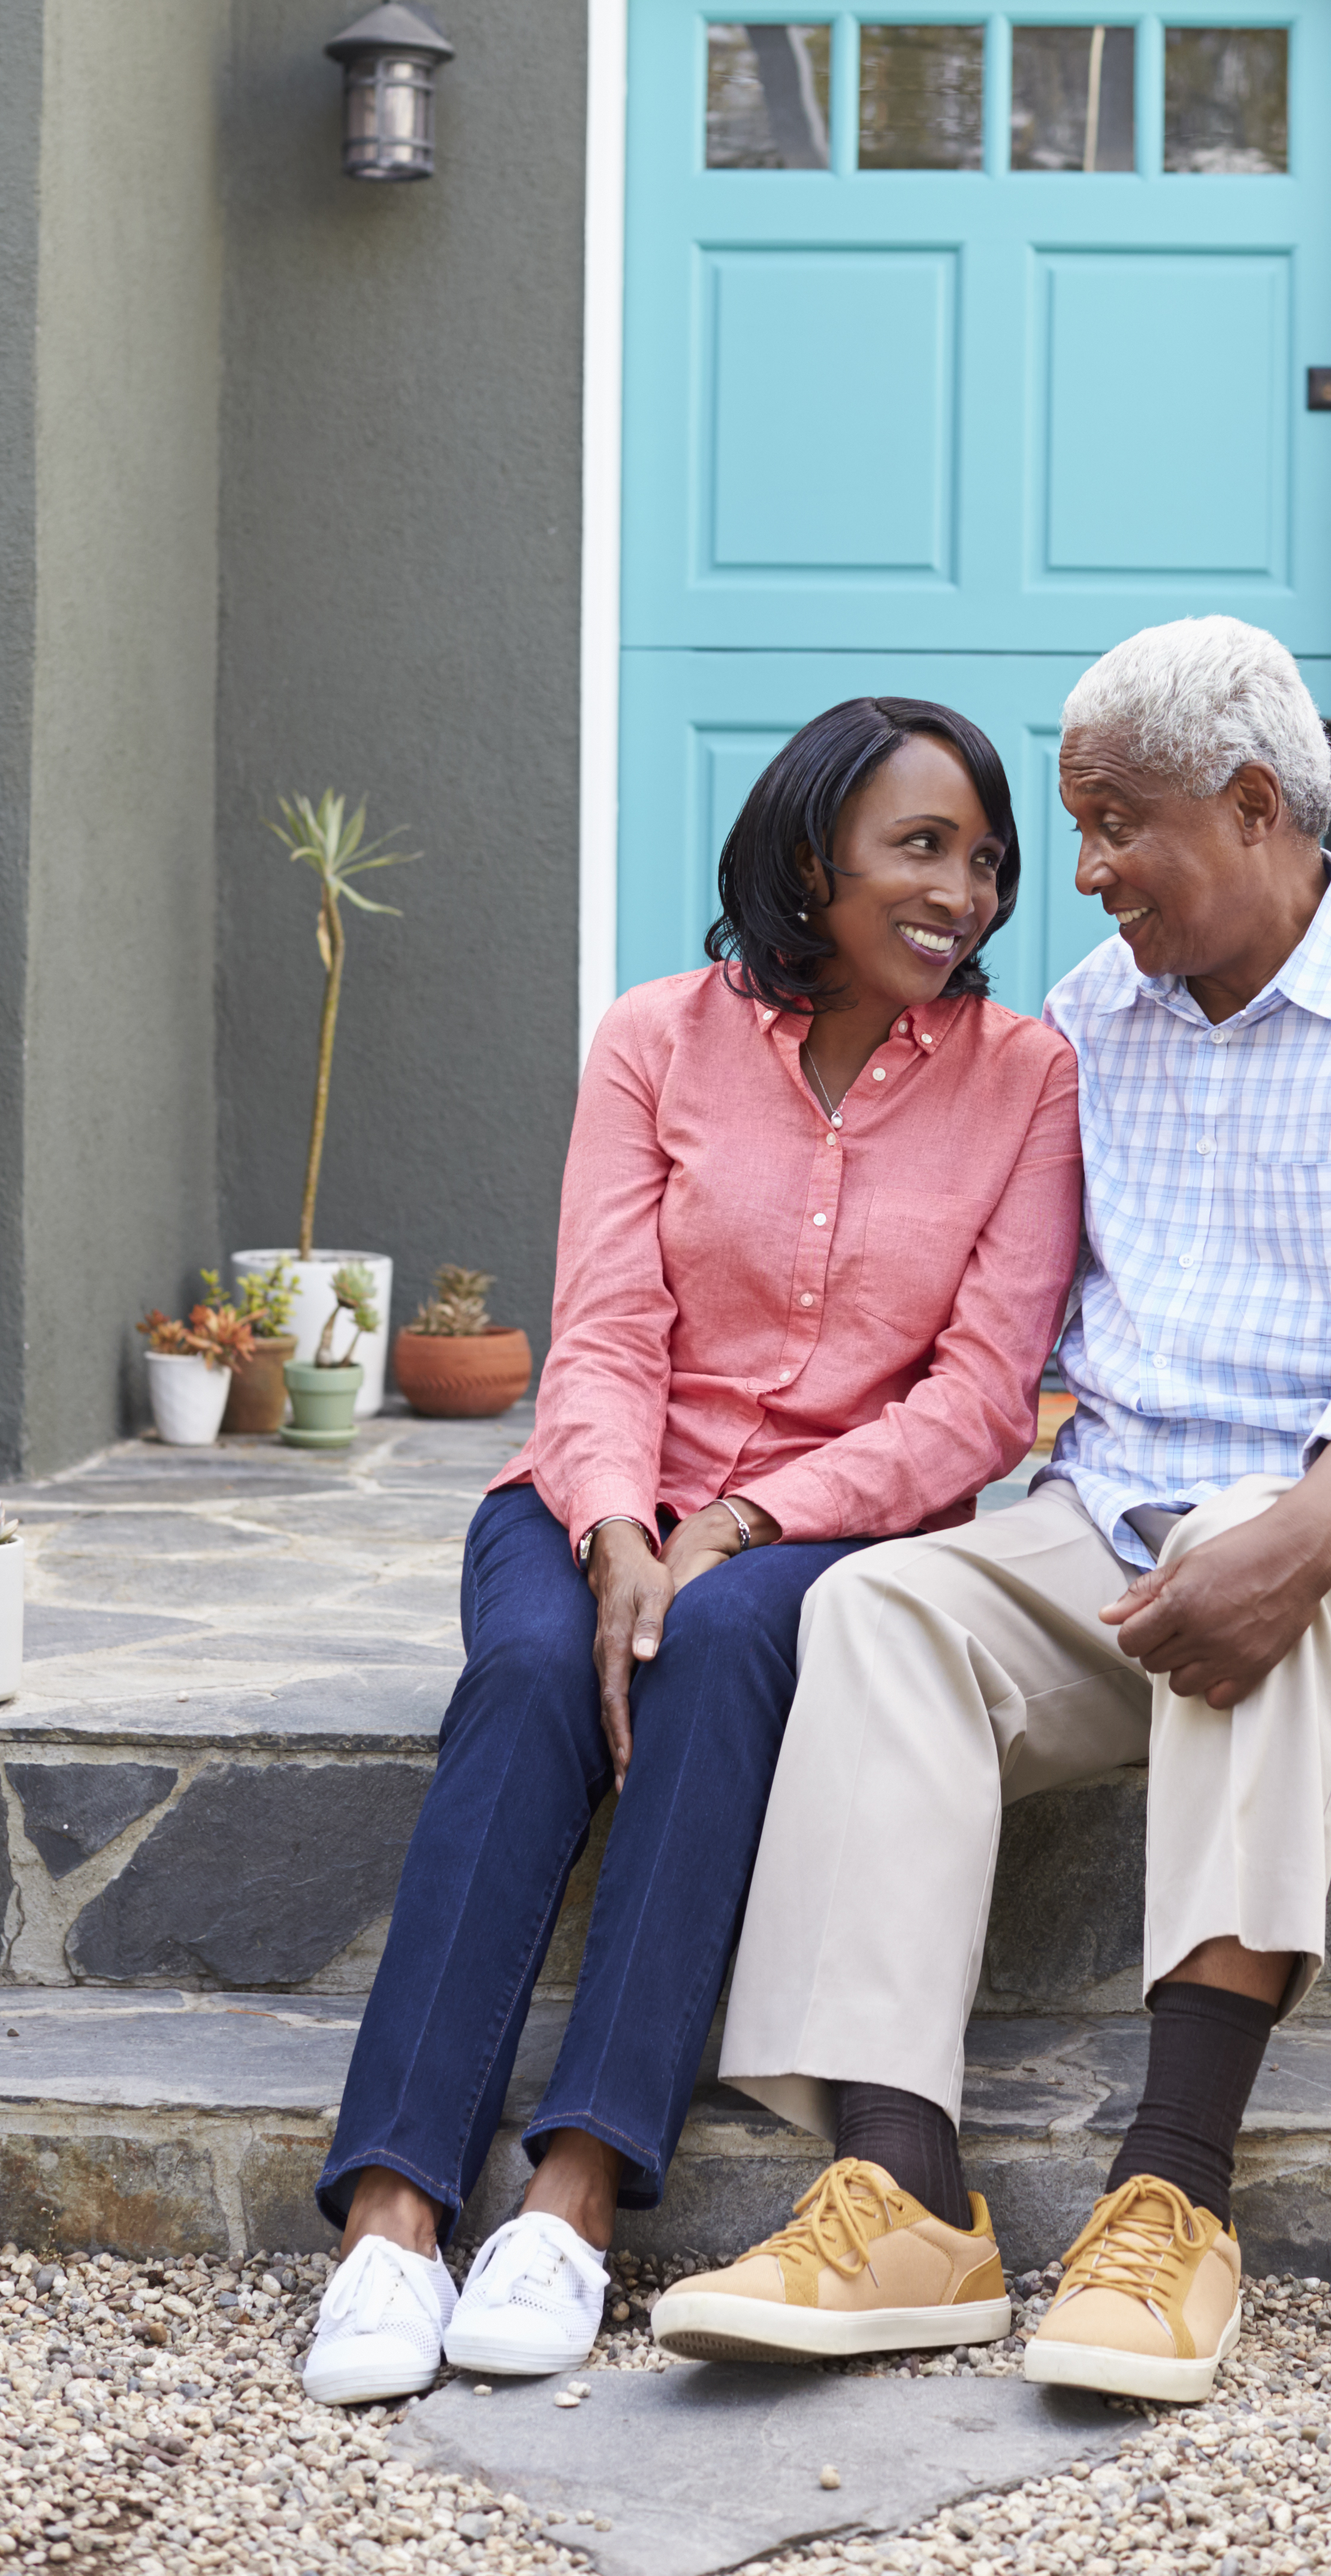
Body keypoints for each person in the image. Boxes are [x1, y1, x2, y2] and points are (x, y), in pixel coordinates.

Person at [653, 615, 1331, 2405]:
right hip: (1115, 1517)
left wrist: (1308, 1524)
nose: (1078, 873)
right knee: (884, 1612)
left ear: (1249, 802)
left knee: (1249, 1562)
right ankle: (904, 2196)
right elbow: (984, 1321)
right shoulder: (1081, 1022)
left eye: (1116, 822)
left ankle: (1171, 2198)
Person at [300, 697, 1083, 2406]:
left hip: (827, 1528)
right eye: (922, 847)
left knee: (721, 1647)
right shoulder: (658, 1036)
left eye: (987, 855)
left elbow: (977, 1402)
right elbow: (602, 1326)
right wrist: (616, 1529)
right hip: (594, 1490)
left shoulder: (1027, 1079)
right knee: (526, 1673)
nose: (969, 888)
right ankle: (392, 2217)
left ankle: (575, 2197)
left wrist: (728, 1527)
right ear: (814, 859)